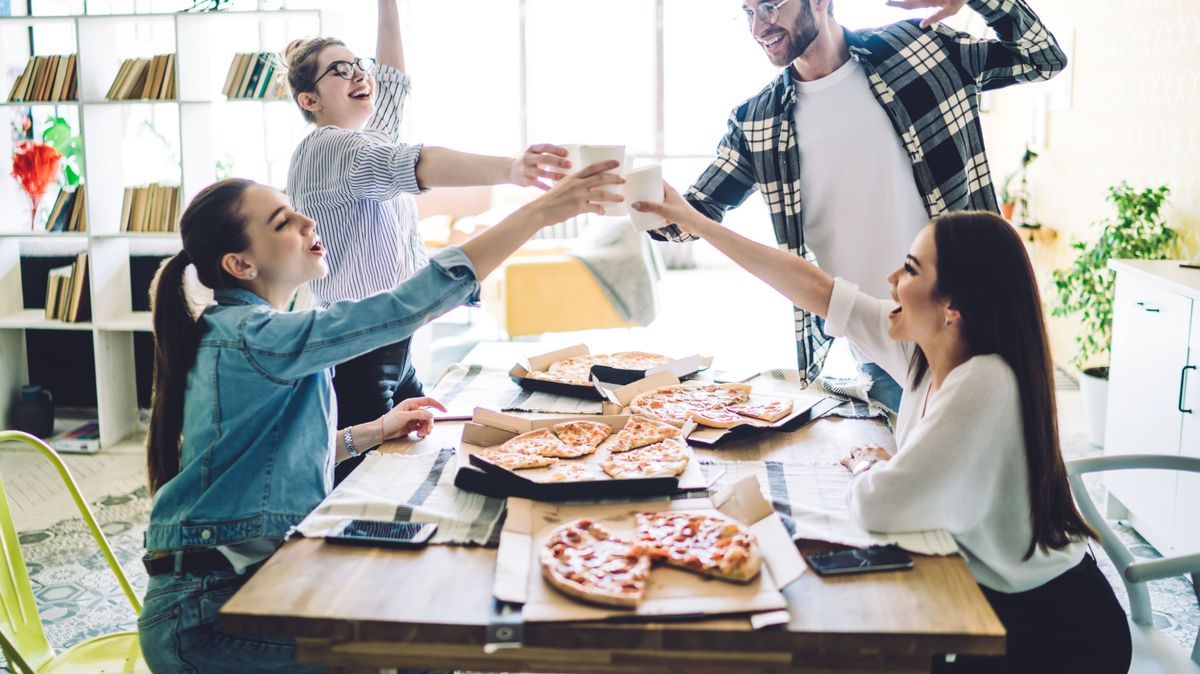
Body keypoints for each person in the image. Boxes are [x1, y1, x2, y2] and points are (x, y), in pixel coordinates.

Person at [136, 162, 623, 674]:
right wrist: (543, 210)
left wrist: (374, 432)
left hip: (242, 585)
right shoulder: (256, 336)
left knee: (425, 613)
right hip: (210, 621)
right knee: (427, 641)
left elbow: (264, 455)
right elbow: (403, 307)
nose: (306, 221)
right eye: (281, 222)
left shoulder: (247, 330)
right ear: (240, 265)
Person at [633, 190, 1132, 673]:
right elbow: (818, 290)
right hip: (992, 598)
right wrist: (695, 222)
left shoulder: (985, 380)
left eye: (911, 269)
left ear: (952, 306)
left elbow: (880, 504)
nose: (892, 279)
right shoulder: (924, 348)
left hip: (1052, 633)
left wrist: (871, 465)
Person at [649, 0, 1067, 413]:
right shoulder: (758, 122)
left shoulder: (921, 50)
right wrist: (636, 199)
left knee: (1002, 464)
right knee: (905, 471)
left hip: (971, 319)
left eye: (771, 7)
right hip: (878, 342)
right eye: (748, 12)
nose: (758, 28)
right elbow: (688, 216)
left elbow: (1043, 58)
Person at [284, 0, 572, 482]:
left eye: (358, 65)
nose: (359, 74)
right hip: (358, 351)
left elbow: (391, 79)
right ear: (309, 100)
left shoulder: (366, 137)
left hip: (392, 342)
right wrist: (509, 170)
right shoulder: (329, 148)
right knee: (361, 483)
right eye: (339, 71)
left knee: (414, 456)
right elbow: (415, 163)